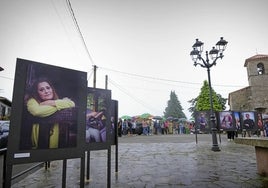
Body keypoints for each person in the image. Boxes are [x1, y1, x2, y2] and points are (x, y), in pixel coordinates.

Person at [25, 77, 75, 149]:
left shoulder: (56, 101)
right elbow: (37, 111)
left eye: (48, 88)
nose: (46, 91)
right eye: (41, 90)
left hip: (55, 147)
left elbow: (72, 103)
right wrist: (59, 106)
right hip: (37, 148)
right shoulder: (32, 101)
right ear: (37, 92)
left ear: (52, 89)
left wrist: (52, 102)